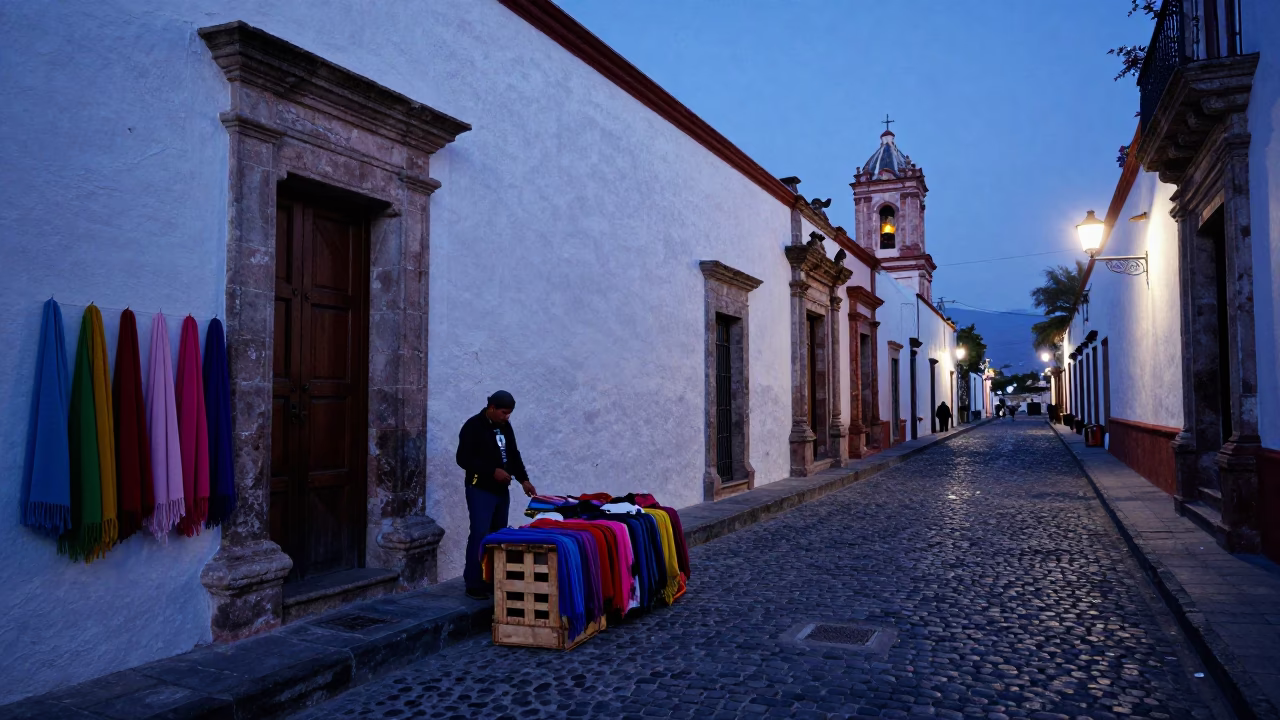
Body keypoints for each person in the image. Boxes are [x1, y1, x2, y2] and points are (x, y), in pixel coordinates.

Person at [456, 390, 537, 599]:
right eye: (503, 412)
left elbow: (513, 454)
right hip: (480, 489)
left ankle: (493, 579)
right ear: (491, 408)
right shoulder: (473, 426)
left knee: (498, 534)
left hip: (501, 490)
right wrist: (492, 471)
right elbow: (463, 458)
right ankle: (473, 582)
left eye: (509, 413)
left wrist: (523, 480)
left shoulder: (505, 427)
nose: (506, 417)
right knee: (480, 533)